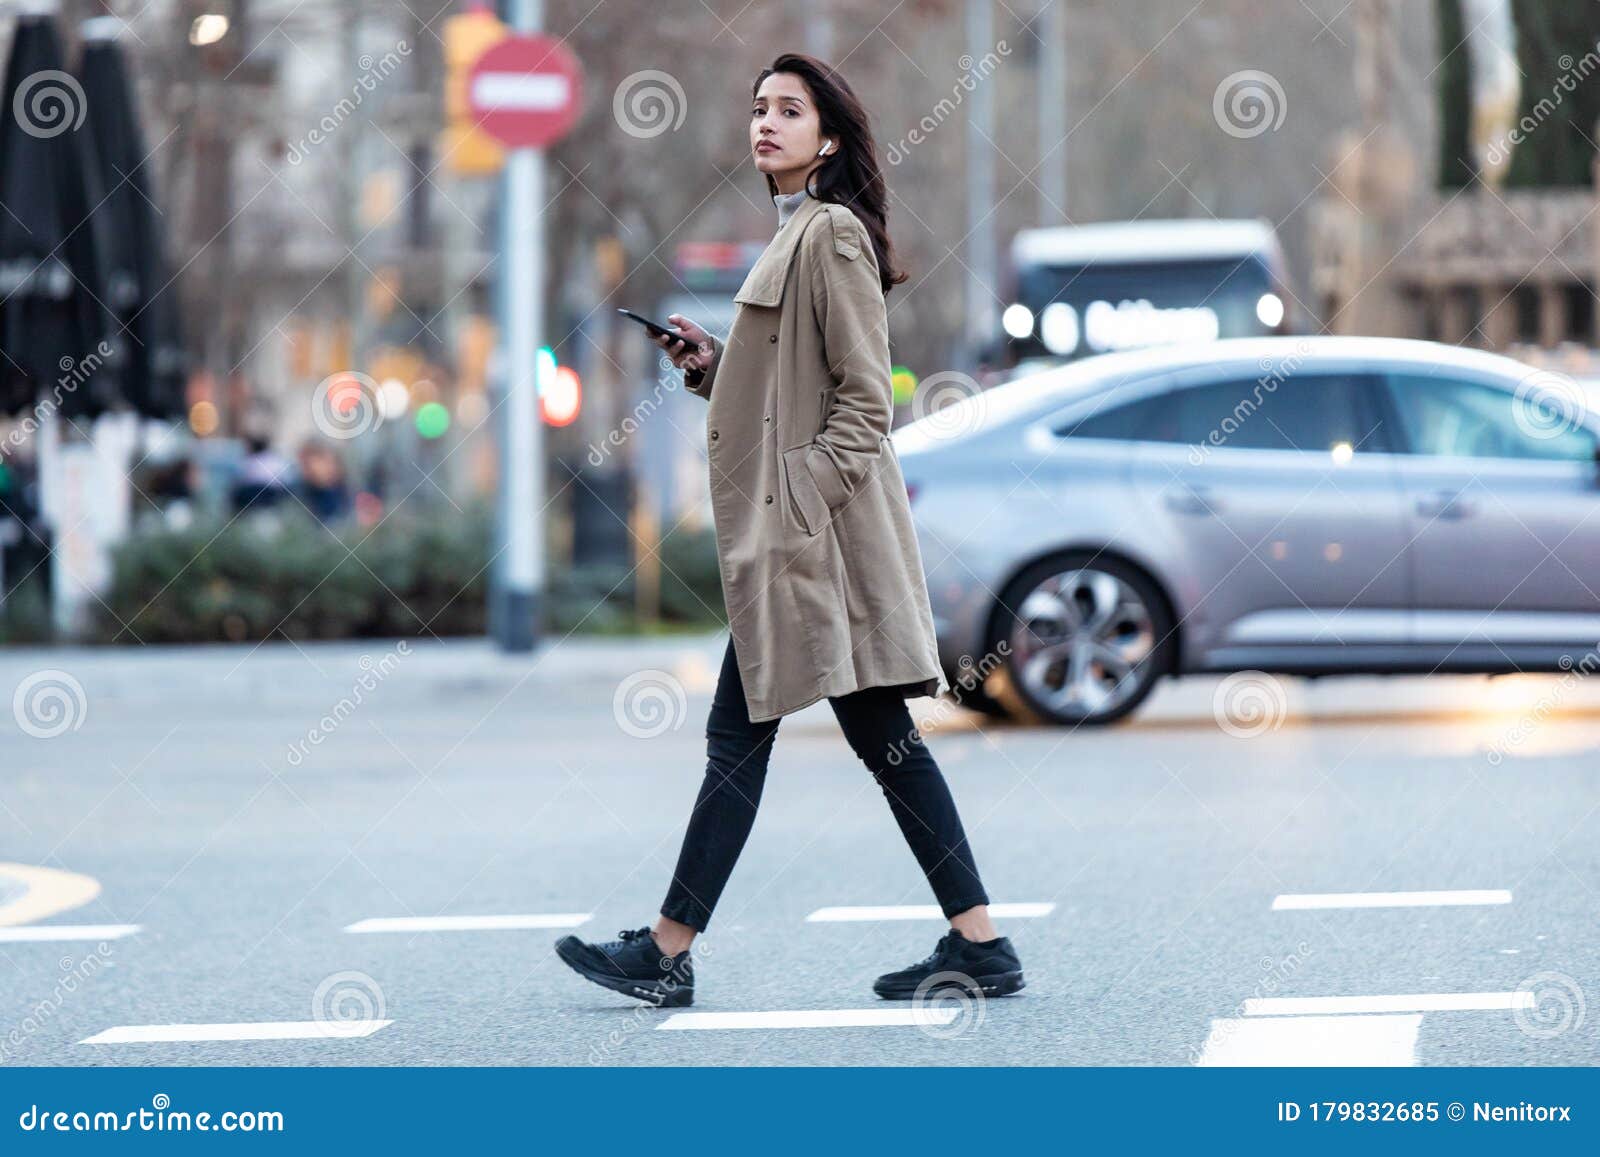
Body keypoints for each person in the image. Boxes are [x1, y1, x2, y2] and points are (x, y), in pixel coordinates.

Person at [556, 53, 1023, 1009]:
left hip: (819, 550)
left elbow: (862, 404)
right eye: (759, 108)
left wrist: (792, 508)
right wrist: (715, 365)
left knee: (755, 736)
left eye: (789, 110)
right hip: (808, 546)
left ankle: (668, 948)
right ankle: (978, 941)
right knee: (873, 742)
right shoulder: (799, 233)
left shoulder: (832, 236)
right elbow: (792, 390)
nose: (764, 123)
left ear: (832, 137)